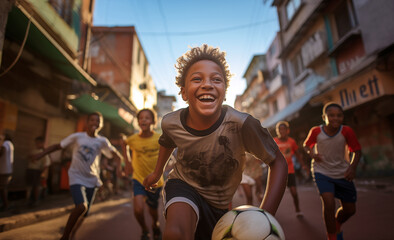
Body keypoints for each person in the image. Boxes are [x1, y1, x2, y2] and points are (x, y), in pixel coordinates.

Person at [143, 44, 288, 240]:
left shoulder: (242, 124)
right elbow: (167, 141)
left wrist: (264, 217)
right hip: (183, 184)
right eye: (197, 79)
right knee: (176, 234)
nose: (207, 84)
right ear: (184, 93)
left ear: (225, 91)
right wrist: (157, 172)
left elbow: (277, 161)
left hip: (220, 204)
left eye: (216, 79)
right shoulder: (171, 122)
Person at [31, 112, 123, 240]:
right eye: (92, 120)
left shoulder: (102, 141)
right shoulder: (77, 137)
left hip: (92, 179)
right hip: (76, 176)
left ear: (100, 125)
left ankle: (72, 234)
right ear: (87, 122)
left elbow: (115, 155)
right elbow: (57, 146)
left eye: (98, 121)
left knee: (84, 214)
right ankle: (65, 236)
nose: (94, 123)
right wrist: (41, 155)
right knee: (81, 206)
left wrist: (118, 167)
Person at [303, 102, 361, 240]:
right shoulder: (316, 131)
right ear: (324, 117)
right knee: (329, 203)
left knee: (350, 210)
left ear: (342, 117)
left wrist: (352, 167)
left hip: (343, 172)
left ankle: (337, 223)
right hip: (322, 171)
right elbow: (306, 145)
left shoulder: (347, 131)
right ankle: (332, 237)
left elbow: (357, 151)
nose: (335, 118)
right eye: (331, 115)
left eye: (339, 115)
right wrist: (312, 154)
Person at [124, 109, 163, 240]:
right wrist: (127, 162)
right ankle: (145, 230)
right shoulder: (133, 139)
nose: (143, 120)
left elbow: (168, 151)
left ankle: (155, 224)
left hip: (155, 181)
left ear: (153, 121)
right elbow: (124, 143)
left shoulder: (159, 138)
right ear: (138, 122)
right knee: (138, 210)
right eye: (141, 118)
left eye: (147, 118)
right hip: (139, 179)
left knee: (153, 210)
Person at [274, 121, 308, 217]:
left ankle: (297, 209)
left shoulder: (291, 141)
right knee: (276, 193)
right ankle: (272, 212)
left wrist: (303, 165)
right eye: (280, 129)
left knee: (293, 191)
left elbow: (297, 154)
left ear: (287, 130)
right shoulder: (274, 141)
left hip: (290, 170)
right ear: (277, 131)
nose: (282, 131)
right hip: (278, 172)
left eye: (284, 129)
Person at [26, 136, 51, 206]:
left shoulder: (43, 152)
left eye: (38, 143)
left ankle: (36, 200)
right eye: (36, 143)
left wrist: (43, 172)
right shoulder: (33, 150)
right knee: (30, 186)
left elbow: (46, 164)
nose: (37, 144)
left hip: (37, 171)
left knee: (36, 186)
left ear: (42, 143)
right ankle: (30, 200)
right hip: (30, 169)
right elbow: (28, 157)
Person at [0, 132, 14, 211]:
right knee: (3, 188)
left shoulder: (5, 144)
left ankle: (6, 205)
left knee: (2, 188)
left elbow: (2, 152)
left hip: (4, 170)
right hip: (6, 170)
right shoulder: (10, 144)